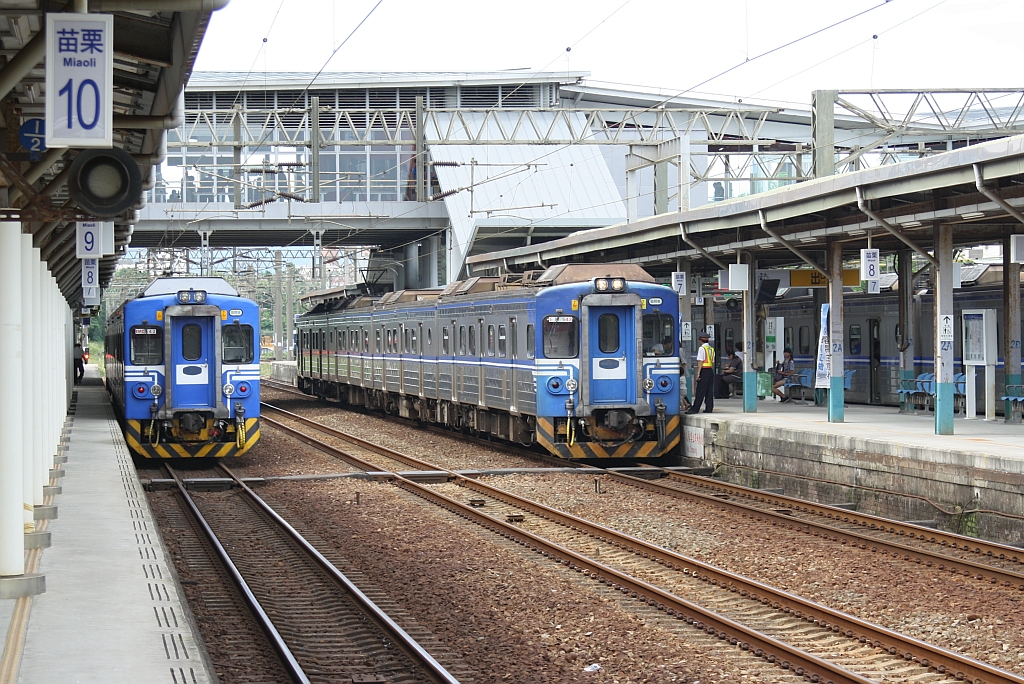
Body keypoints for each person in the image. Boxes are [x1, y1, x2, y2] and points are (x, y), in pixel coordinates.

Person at [686, 332, 716, 414]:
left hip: (704, 371)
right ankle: (709, 408)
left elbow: (700, 361)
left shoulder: (702, 349)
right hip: (710, 371)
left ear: (700, 340)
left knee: (700, 390)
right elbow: (712, 362)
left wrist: (698, 373)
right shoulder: (711, 349)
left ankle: (695, 409)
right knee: (709, 391)